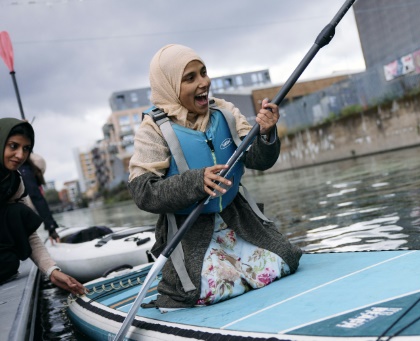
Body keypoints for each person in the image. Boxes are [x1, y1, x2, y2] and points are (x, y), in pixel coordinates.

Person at [128, 44, 302, 308]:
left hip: (237, 219)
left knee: (284, 262)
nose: (204, 82)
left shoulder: (225, 111)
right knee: (214, 288)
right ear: (169, 86)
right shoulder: (152, 130)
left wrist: (266, 133)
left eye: (203, 73)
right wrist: (195, 182)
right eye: (190, 78)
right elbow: (144, 193)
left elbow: (258, 160)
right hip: (190, 232)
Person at [0, 117, 85, 295]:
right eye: (13, 146)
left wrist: (52, 271)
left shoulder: (14, 181)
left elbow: (26, 228)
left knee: (19, 215)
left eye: (26, 149)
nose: (20, 155)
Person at [19, 152, 61, 244]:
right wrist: (51, 227)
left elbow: (37, 198)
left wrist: (51, 228)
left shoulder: (25, 168)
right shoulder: (25, 168)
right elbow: (37, 198)